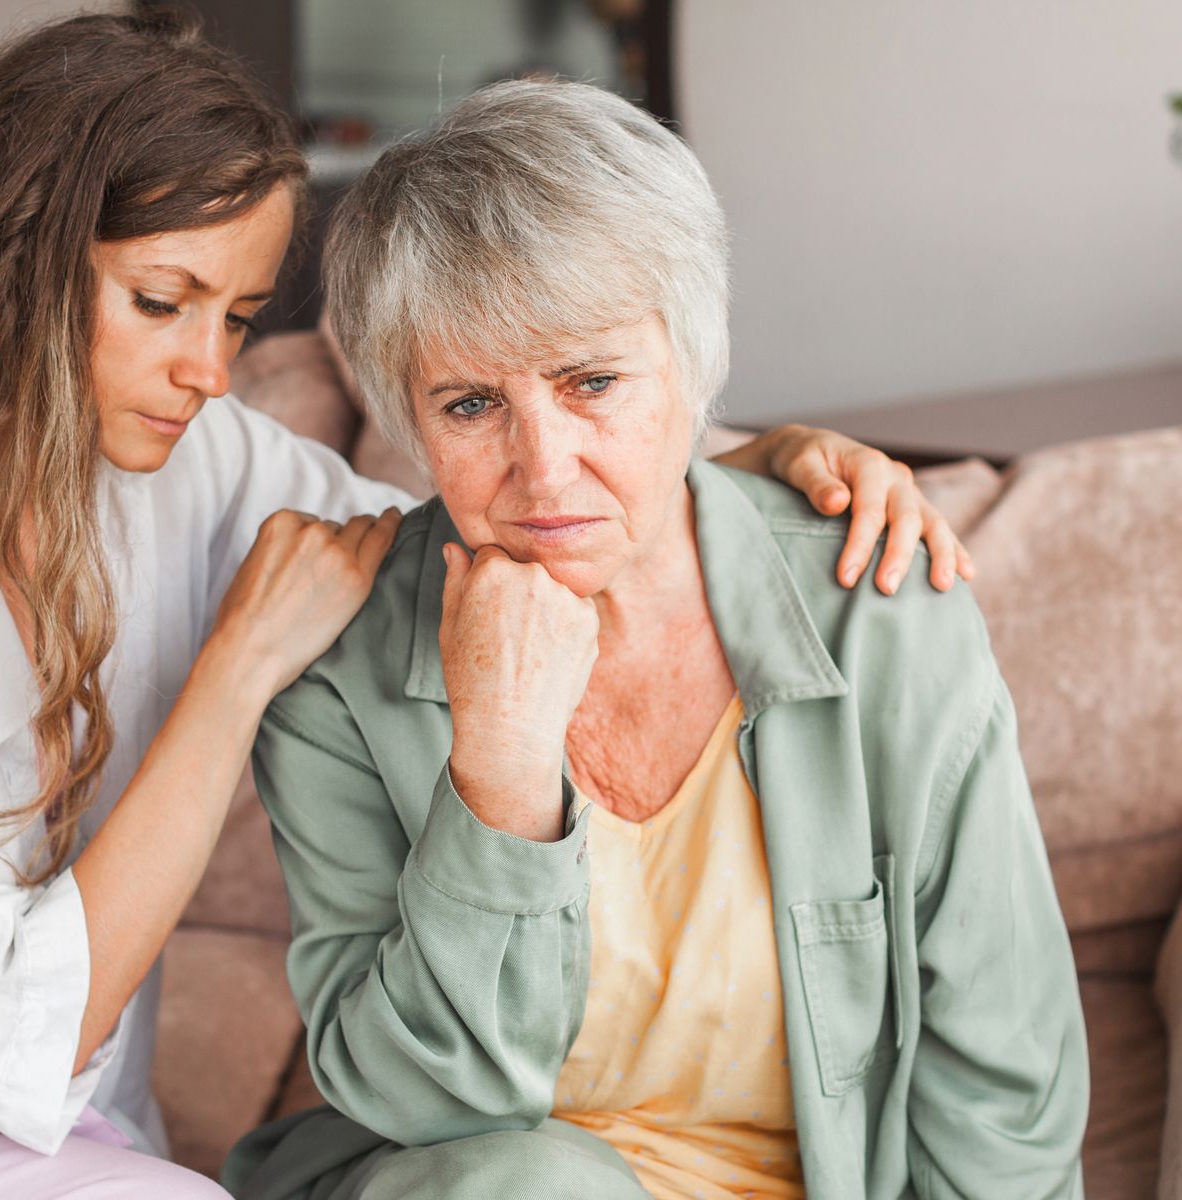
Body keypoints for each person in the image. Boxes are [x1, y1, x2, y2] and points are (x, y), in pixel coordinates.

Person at [0, 15, 977, 1200]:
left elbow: (497, 500)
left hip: (33, 1134)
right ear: (6, 270)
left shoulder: (188, 460)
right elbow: (33, 1027)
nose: (208, 370)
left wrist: (763, 462)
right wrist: (236, 670)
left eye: (237, 315)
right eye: (160, 302)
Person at [224, 80, 1085, 1200]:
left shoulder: (880, 604)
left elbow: (1002, 1071)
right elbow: (425, 1104)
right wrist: (500, 771)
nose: (544, 469)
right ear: (408, 414)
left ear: (691, 365)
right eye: (471, 404)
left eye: (592, 382)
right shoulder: (338, 670)